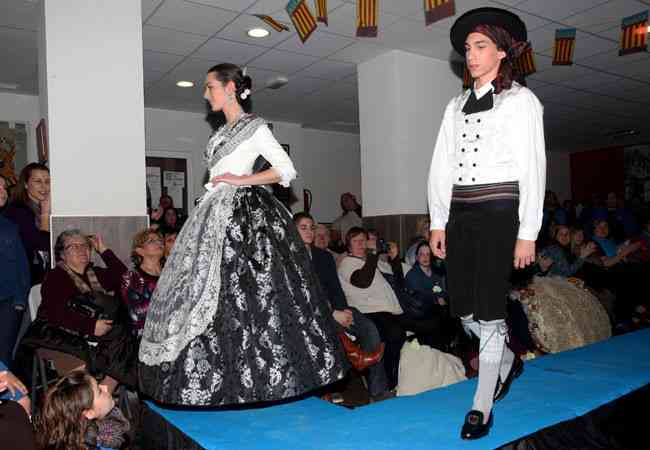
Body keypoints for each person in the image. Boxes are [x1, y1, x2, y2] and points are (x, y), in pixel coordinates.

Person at [138, 63, 347, 406]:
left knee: (251, 296)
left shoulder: (254, 126)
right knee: (218, 298)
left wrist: (241, 180)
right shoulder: (221, 132)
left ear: (230, 88)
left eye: (210, 87)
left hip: (243, 218)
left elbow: (285, 170)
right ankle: (227, 383)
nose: (206, 94)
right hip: (213, 215)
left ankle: (264, 380)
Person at [428, 8, 546, 439]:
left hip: (500, 212)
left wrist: (527, 232)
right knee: (463, 312)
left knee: (491, 311)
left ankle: (481, 404)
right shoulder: (455, 106)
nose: (472, 55)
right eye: (467, 48)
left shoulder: (521, 101)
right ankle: (508, 361)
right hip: (460, 212)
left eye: (481, 46)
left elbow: (534, 168)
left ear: (501, 52)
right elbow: (441, 164)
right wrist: (438, 220)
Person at [21, 230, 137, 393]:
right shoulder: (56, 277)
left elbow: (125, 278)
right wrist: (91, 326)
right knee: (105, 354)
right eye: (74, 246)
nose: (81, 249)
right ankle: (94, 395)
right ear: (62, 254)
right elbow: (57, 314)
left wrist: (103, 250)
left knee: (126, 340)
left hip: (88, 333)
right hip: (55, 331)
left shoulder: (95, 273)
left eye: (85, 246)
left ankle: (103, 393)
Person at [293, 212, 390, 401]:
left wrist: (344, 310)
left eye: (311, 227)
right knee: (325, 327)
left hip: (334, 309)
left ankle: (378, 391)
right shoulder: (288, 258)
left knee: (369, 328)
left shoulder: (323, 257)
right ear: (292, 230)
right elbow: (299, 296)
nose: (309, 232)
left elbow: (335, 289)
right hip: (307, 311)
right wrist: (332, 312)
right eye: (303, 228)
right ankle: (351, 360)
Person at [338, 227, 446, 390]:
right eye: (356, 241)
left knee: (432, 323)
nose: (360, 244)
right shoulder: (347, 263)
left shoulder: (374, 262)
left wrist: (394, 258)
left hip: (393, 311)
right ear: (349, 245)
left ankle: (431, 370)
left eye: (363, 240)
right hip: (369, 312)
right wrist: (373, 254)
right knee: (396, 333)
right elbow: (363, 281)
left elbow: (399, 278)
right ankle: (391, 381)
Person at [34, 370, 130, 450]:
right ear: (89, 413)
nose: (105, 387)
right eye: (99, 391)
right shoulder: (105, 442)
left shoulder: (79, 436)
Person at [0, 175, 30, 368]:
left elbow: (21, 267)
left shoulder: (9, 227)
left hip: (8, 301)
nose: (4, 191)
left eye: (4, 187)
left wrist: (20, 300)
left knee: (3, 355)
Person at [3, 163, 51, 285]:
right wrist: (45, 214)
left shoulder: (41, 207)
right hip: (20, 279)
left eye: (47, 181)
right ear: (25, 184)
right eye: (38, 181)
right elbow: (43, 245)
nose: (44, 187)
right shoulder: (17, 211)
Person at [121, 228, 164, 338]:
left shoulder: (171, 273)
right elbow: (136, 314)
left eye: (160, 240)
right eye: (151, 241)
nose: (159, 243)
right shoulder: (132, 277)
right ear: (140, 251)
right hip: (146, 338)